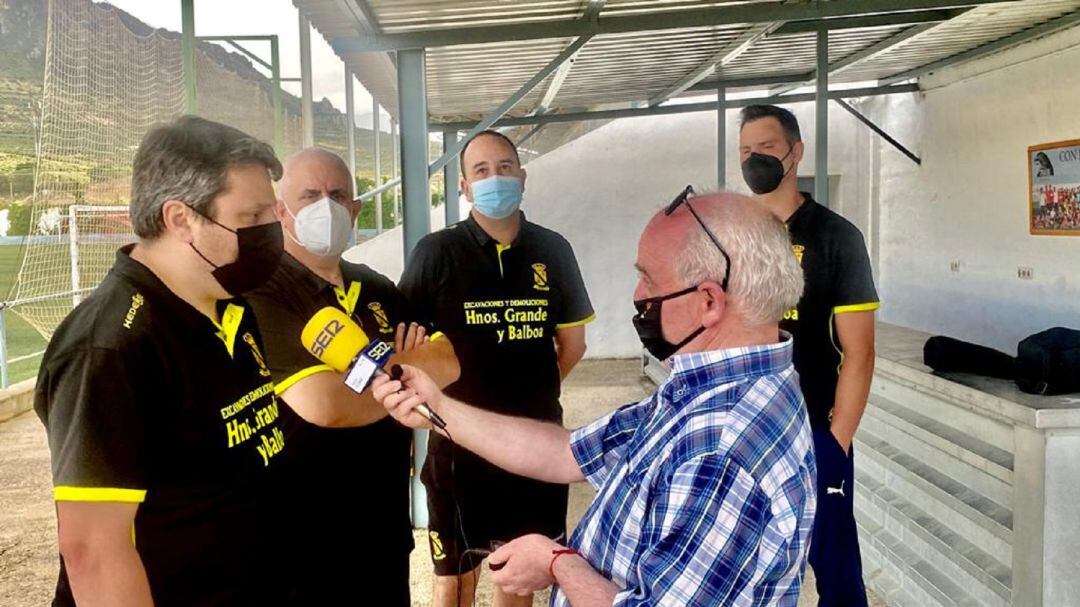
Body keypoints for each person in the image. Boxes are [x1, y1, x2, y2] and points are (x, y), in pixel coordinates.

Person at [375, 192, 816, 606]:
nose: (638, 295)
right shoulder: (707, 389)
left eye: (648, 278)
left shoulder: (722, 445)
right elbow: (566, 452)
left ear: (708, 302)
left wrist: (557, 563)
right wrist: (438, 406)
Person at [34, 116, 289, 606]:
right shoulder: (110, 347)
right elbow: (94, 551)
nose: (271, 232)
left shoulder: (230, 306)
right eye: (252, 218)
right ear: (180, 219)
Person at [244, 147, 460, 606]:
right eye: (309, 195)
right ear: (283, 211)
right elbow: (327, 406)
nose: (326, 205)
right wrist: (404, 366)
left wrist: (381, 374)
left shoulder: (377, 287)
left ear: (356, 208)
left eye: (338, 194)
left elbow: (450, 363)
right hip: (300, 537)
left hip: (381, 525)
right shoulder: (265, 292)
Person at [399, 130, 595, 607]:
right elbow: (406, 352)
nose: (495, 178)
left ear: (523, 178)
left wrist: (526, 395)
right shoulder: (436, 253)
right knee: (453, 581)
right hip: (457, 450)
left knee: (518, 577)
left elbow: (572, 344)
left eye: (505, 167)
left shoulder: (553, 250)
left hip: (535, 450)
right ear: (464, 187)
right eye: (481, 171)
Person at [739, 104, 880, 607]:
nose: (753, 159)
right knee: (748, 570)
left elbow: (860, 352)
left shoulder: (837, 237)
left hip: (814, 429)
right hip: (744, 433)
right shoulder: (729, 235)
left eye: (766, 148)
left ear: (795, 153)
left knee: (837, 572)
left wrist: (836, 439)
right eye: (745, 151)